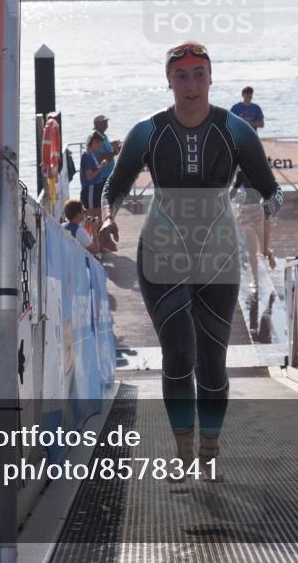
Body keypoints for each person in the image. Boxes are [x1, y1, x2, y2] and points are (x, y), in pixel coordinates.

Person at [100, 41, 283, 477]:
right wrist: (108, 219)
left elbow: (273, 191)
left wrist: (264, 209)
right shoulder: (148, 130)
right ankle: (183, 448)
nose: (191, 84)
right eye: (181, 76)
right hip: (162, 250)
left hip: (217, 252)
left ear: (211, 78)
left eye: (199, 74)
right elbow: (114, 186)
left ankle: (211, 446)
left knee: (212, 360)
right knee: (179, 352)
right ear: (168, 81)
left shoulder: (236, 129)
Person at [79, 132, 112, 229]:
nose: (101, 146)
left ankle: (97, 238)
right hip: (90, 188)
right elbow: (89, 176)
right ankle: (90, 238)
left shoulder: (91, 155)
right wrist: (101, 167)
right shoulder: (87, 156)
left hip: (95, 188)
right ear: (94, 142)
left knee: (98, 213)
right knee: (91, 214)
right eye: (100, 143)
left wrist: (100, 166)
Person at [93, 114, 121, 184]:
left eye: (106, 122)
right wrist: (116, 151)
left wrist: (112, 145)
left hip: (107, 175)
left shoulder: (103, 136)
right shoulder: (96, 137)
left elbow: (106, 149)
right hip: (100, 177)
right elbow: (100, 157)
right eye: (103, 122)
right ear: (96, 124)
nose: (105, 124)